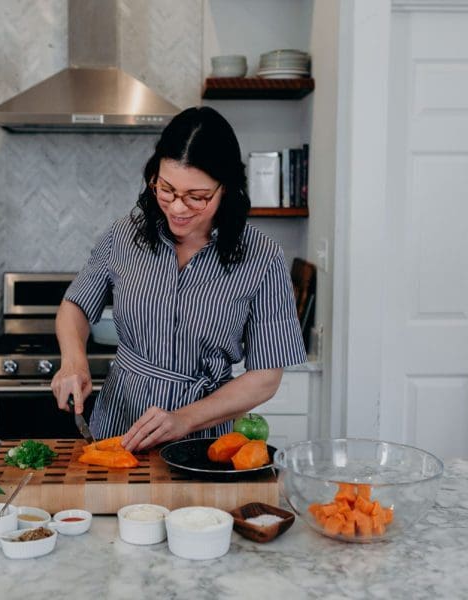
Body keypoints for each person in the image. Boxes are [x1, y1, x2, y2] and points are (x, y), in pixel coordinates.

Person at [51, 106, 307, 452]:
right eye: (166, 189)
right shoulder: (125, 234)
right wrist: (73, 360)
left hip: (203, 441)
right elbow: (76, 306)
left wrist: (183, 419)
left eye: (196, 197)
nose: (177, 208)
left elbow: (266, 378)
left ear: (226, 189)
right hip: (117, 426)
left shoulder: (262, 258)